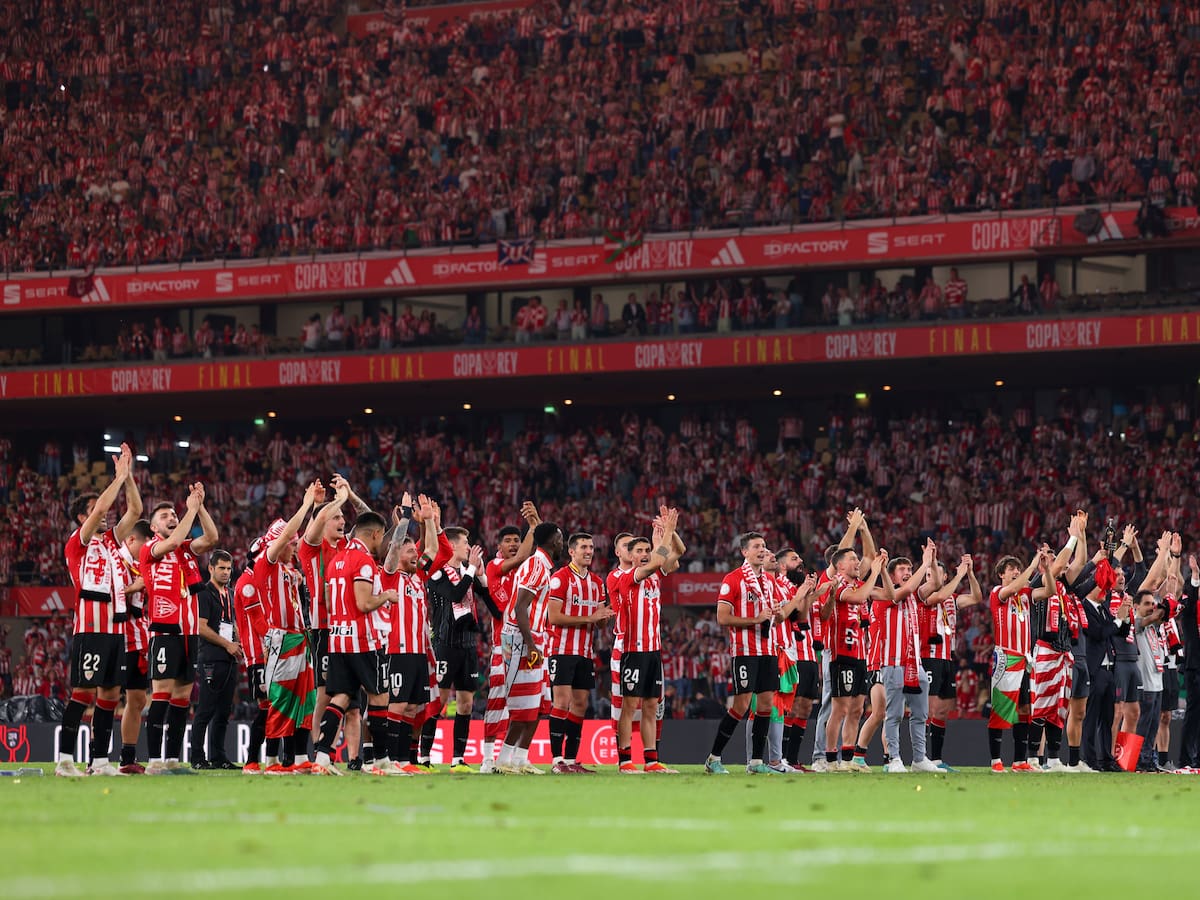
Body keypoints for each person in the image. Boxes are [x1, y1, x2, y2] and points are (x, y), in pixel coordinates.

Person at [59, 444, 143, 777]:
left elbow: (135, 511)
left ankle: (99, 762)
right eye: (95, 509)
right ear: (82, 516)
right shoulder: (77, 541)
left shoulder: (110, 541)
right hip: (90, 628)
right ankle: (65, 760)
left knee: (109, 696)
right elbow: (100, 511)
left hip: (115, 628)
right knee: (83, 692)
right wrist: (117, 477)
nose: (103, 513)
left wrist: (129, 476)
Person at [141, 483, 218, 775]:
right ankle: (154, 761)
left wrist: (201, 505)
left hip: (188, 633)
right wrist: (191, 509)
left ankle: (172, 759)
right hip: (164, 630)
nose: (172, 517)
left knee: (182, 699)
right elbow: (172, 542)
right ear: (152, 526)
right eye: (165, 515)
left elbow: (211, 537)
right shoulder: (152, 549)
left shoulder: (186, 550)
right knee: (161, 695)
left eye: (174, 513)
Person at [245, 482, 323, 774]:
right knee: (280, 699)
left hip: (301, 639)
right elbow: (287, 536)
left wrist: (317, 507)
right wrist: (304, 505)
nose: (294, 546)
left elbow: (307, 539)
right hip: (280, 639)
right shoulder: (267, 564)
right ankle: (273, 760)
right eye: (290, 543)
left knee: (306, 700)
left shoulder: (290, 571)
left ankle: (301, 759)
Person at [312, 510, 397, 776]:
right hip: (362, 641)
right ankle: (381, 761)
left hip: (338, 639)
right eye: (381, 536)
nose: (381, 541)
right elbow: (363, 603)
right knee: (380, 696)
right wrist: (386, 596)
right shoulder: (363, 561)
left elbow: (329, 596)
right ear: (374, 534)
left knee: (341, 697)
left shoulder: (337, 560)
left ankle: (323, 757)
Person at [705, 531, 793, 775]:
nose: (762, 549)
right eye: (756, 546)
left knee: (765, 704)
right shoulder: (733, 579)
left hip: (768, 649)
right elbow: (722, 618)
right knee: (741, 705)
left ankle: (756, 762)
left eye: (764, 545)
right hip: (745, 651)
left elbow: (779, 614)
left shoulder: (769, 581)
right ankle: (714, 758)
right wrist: (756, 619)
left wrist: (776, 611)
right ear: (744, 552)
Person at [298, 475, 367, 768]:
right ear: (323, 521)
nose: (342, 521)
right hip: (324, 628)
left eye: (342, 517)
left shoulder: (349, 547)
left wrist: (350, 496)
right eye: (336, 517)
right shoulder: (310, 547)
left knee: (352, 698)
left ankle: (353, 758)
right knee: (325, 694)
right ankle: (318, 751)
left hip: (351, 628)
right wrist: (333, 501)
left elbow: (370, 523)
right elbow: (320, 517)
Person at [380, 494, 452, 774]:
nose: (415, 554)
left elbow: (434, 550)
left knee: (412, 709)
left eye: (414, 551)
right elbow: (397, 543)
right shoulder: (388, 575)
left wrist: (431, 520)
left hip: (417, 652)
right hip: (396, 651)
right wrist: (408, 516)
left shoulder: (417, 577)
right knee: (396, 708)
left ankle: (406, 761)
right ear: (397, 554)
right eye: (409, 551)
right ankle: (390, 760)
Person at [615, 510, 684, 774]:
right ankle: (624, 761)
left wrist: (671, 530)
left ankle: (651, 760)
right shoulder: (627, 577)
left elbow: (678, 552)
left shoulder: (655, 574)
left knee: (652, 706)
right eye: (640, 550)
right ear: (630, 556)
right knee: (630, 705)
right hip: (634, 651)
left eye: (647, 549)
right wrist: (664, 534)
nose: (645, 553)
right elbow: (658, 560)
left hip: (654, 651)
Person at [497, 522, 563, 774]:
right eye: (559, 538)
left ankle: (520, 759)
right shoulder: (536, 565)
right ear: (549, 541)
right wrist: (531, 644)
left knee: (539, 704)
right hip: (520, 640)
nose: (562, 543)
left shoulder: (544, 566)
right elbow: (520, 607)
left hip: (535, 639)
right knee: (522, 705)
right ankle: (503, 760)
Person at [426, 525, 493, 772]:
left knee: (466, 703)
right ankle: (424, 757)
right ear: (452, 545)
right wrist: (473, 570)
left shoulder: (468, 571)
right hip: (445, 644)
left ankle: (458, 759)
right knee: (439, 701)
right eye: (466, 542)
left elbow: (488, 600)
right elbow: (455, 595)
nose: (469, 547)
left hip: (467, 646)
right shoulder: (438, 573)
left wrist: (481, 574)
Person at [546, 532, 614, 773]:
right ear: (571, 551)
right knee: (561, 702)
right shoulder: (560, 578)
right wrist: (590, 617)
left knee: (581, 704)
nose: (589, 551)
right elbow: (553, 617)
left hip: (585, 653)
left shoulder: (597, 582)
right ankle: (556, 761)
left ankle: (572, 760)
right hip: (561, 650)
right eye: (583, 547)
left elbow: (598, 622)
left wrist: (605, 618)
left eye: (591, 547)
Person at [480, 504, 540, 773]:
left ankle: (517, 759)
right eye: (509, 541)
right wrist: (534, 528)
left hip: (527, 644)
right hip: (502, 645)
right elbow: (522, 557)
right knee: (497, 702)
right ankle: (487, 760)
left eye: (517, 539)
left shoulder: (527, 571)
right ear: (499, 546)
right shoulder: (494, 567)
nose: (514, 544)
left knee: (526, 705)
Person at [872, 542, 941, 774]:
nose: (908, 572)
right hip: (893, 663)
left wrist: (931, 560)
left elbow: (936, 584)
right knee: (894, 714)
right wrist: (924, 563)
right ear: (891, 576)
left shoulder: (914, 596)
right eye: (902, 569)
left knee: (921, 714)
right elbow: (908, 589)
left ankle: (919, 759)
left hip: (916, 664)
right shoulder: (886, 595)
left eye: (909, 568)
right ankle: (894, 759)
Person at [821, 546, 886, 772]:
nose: (857, 562)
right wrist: (875, 572)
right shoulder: (838, 584)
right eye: (852, 559)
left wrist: (883, 570)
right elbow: (858, 598)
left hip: (861, 656)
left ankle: (848, 758)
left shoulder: (860, 584)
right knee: (840, 709)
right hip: (842, 655)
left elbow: (889, 595)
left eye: (858, 559)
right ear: (840, 565)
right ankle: (830, 759)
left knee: (858, 709)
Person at [920, 555, 982, 771]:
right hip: (929, 657)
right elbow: (937, 595)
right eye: (927, 574)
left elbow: (976, 597)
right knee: (929, 709)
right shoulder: (925, 595)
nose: (930, 578)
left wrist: (971, 574)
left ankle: (936, 759)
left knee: (943, 710)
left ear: (944, 576)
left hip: (948, 658)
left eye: (934, 573)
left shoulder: (953, 598)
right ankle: (922, 758)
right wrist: (960, 575)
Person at [987, 553, 1041, 772]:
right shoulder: (998, 593)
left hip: (1025, 658)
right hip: (1006, 657)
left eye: (1017, 568)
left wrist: (1045, 569)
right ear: (1001, 574)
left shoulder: (1026, 595)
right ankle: (995, 761)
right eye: (1011, 569)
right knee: (1001, 708)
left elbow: (1050, 591)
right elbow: (1013, 587)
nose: (1016, 572)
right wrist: (1033, 565)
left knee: (1025, 709)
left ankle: (1020, 761)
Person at [190, 550, 242, 769]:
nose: (226, 572)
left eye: (229, 568)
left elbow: (232, 623)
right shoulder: (203, 592)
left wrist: (240, 643)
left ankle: (218, 756)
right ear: (211, 568)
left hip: (229, 658)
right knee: (206, 709)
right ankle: (197, 757)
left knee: (223, 710)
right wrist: (227, 644)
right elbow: (201, 627)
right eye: (221, 568)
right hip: (212, 657)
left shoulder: (229, 593)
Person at [117, 519, 153, 774]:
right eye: (146, 543)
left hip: (138, 638)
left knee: (138, 699)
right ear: (132, 540)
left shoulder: (142, 565)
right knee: (106, 697)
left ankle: (127, 759)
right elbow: (100, 593)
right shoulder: (115, 561)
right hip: (115, 636)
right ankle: (94, 759)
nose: (149, 548)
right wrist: (132, 588)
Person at [235, 543, 269, 773]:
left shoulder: (260, 580)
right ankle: (251, 759)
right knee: (267, 706)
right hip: (259, 655)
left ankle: (281, 758)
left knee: (277, 706)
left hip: (270, 652)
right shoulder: (248, 583)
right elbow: (257, 622)